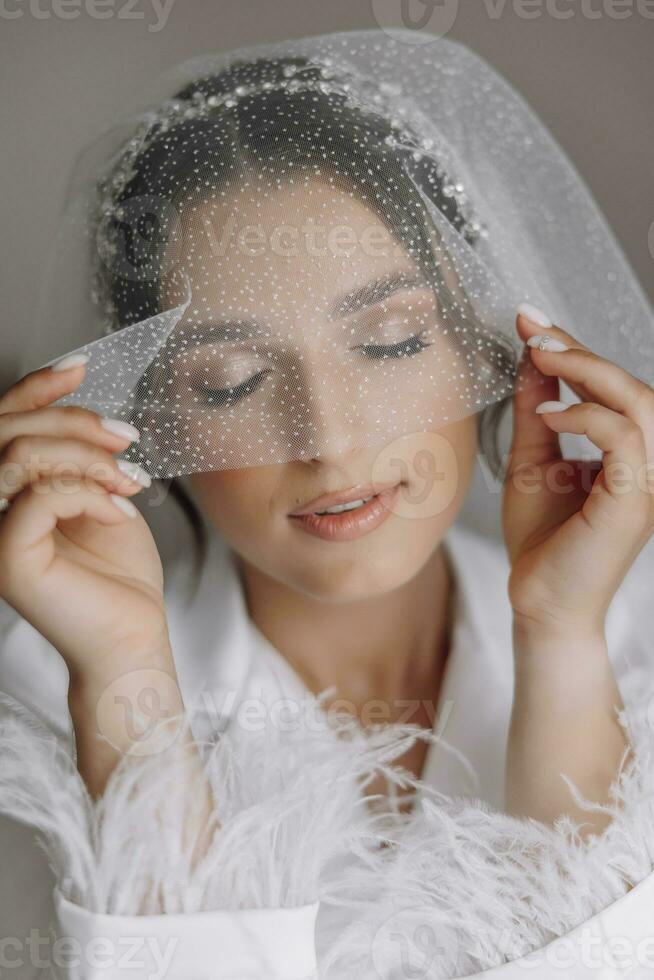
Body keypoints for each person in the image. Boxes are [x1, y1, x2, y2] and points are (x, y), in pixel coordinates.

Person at [1, 30, 653, 980]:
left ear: (489, 340)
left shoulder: (639, 644)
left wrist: (560, 640)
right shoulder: (40, 712)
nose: (332, 442)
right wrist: (124, 681)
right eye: (230, 382)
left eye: (389, 344)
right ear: (138, 417)